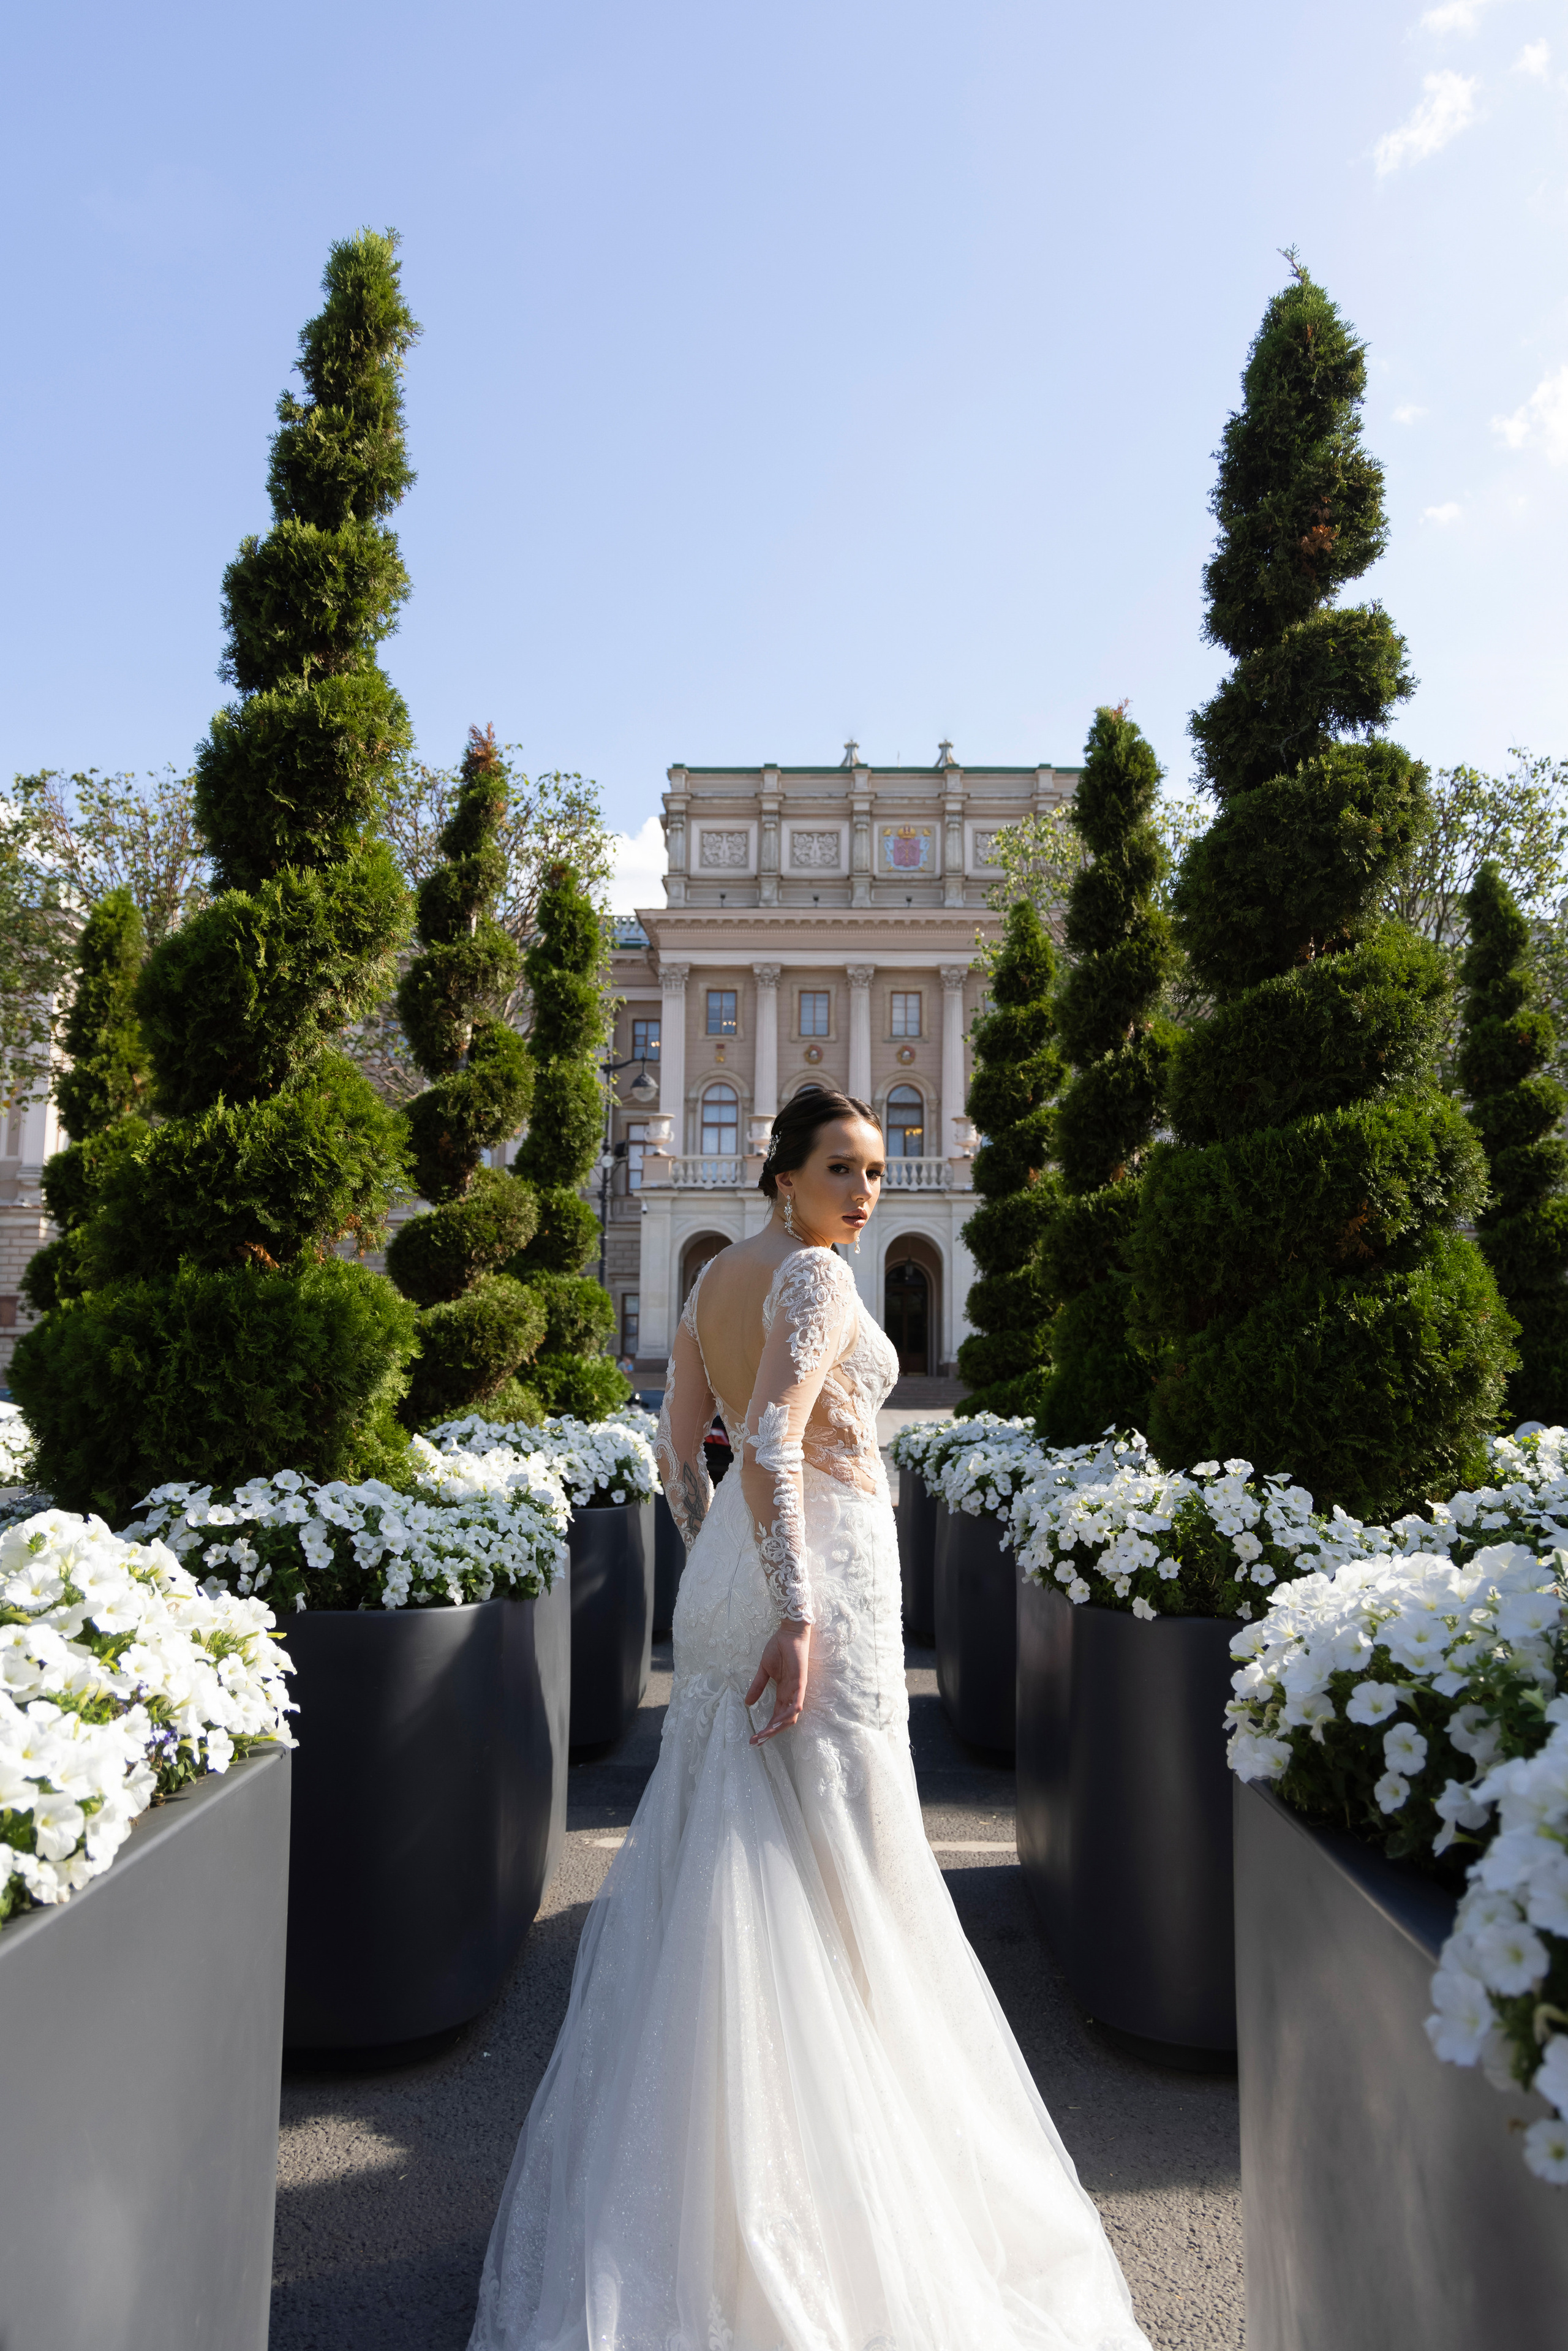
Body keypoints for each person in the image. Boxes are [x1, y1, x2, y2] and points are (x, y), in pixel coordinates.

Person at [470, 1086, 1150, 2351]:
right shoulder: (821, 1281)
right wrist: (791, 1609)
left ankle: (707, 2170)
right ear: (784, 1174)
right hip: (818, 1574)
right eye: (842, 1167)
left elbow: (685, 1449)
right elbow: (773, 1441)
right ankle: (837, 2146)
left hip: (742, 1566)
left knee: (731, 1844)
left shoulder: (709, 1279)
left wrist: (716, 1560)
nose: (866, 1191)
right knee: (837, 1840)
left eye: (877, 1168)